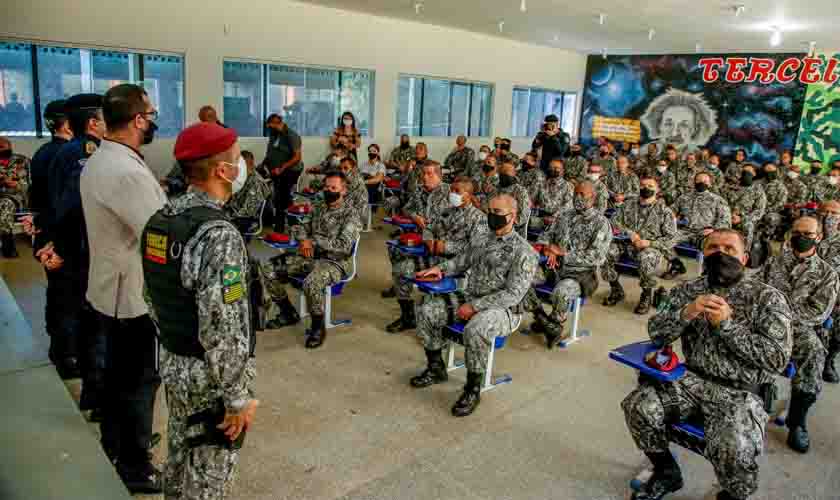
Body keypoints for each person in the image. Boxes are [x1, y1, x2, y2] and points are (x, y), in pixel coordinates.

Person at [623, 228, 792, 500]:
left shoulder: (767, 298)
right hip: (690, 381)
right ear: (703, 254)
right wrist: (685, 314)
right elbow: (656, 332)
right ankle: (666, 471)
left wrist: (727, 326)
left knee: (735, 447)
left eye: (729, 249)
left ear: (745, 258)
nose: (720, 254)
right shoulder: (688, 290)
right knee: (638, 406)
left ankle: (733, 494)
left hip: (740, 392)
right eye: (713, 248)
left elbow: (777, 359)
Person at [142, 121, 258, 499]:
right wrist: (237, 396)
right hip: (208, 377)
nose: (241, 165)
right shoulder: (217, 235)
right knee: (209, 474)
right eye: (237, 157)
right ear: (222, 171)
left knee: (179, 457)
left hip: (174, 360)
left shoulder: (163, 219)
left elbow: (151, 296)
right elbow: (222, 327)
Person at [80, 83, 168, 493]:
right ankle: (135, 464)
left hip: (107, 288)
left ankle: (115, 443)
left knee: (117, 375)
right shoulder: (127, 171)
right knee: (140, 380)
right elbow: (158, 233)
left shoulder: (102, 159)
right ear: (137, 120)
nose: (151, 122)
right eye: (149, 116)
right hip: (131, 296)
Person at [411, 194, 539, 416]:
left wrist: (475, 307)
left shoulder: (524, 251)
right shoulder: (482, 238)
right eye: (490, 211)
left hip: (503, 310)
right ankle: (436, 368)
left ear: (513, 216)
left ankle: (472, 389)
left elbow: (513, 294)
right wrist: (440, 269)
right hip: (470, 295)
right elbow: (461, 261)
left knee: (476, 328)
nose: (492, 216)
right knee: (426, 310)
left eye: (498, 213)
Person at [44, 93, 107, 420]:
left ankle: (90, 387)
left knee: (82, 318)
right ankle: (96, 396)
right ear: (92, 123)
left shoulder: (57, 151)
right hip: (84, 251)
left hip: (73, 248)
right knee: (94, 323)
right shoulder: (87, 152)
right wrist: (65, 248)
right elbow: (76, 208)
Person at [759, 216, 839, 453]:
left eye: (808, 234)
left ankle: (797, 421)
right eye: (797, 232)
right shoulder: (774, 263)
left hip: (798, 329)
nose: (802, 238)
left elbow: (818, 313)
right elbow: (755, 288)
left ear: (819, 237)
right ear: (790, 234)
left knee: (814, 353)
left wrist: (781, 315)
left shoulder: (827, 274)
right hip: (764, 321)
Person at [263, 171, 362, 348]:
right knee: (267, 268)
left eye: (334, 188)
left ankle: (318, 327)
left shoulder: (351, 215)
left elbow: (343, 246)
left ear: (344, 190)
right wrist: (303, 240)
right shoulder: (319, 206)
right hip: (310, 256)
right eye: (327, 187)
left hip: (336, 262)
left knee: (312, 282)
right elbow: (300, 227)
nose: (329, 190)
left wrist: (313, 241)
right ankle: (287, 312)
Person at [385, 177, 487, 333]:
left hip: (458, 265)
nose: (452, 194)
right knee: (400, 269)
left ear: (468, 195)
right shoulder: (447, 211)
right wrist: (429, 239)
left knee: (436, 303)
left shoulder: (479, 219)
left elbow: (474, 250)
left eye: (457, 191)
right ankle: (408, 317)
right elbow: (429, 228)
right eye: (451, 190)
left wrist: (447, 246)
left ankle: (438, 322)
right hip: (435, 258)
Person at [24, 99, 76, 378]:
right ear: (67, 123)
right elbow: (62, 204)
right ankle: (66, 355)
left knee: (57, 294)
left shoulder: (43, 152)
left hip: (47, 233)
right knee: (66, 296)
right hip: (59, 236)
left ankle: (60, 349)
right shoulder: (67, 154)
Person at [529, 181, 611, 347]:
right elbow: (546, 235)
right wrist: (548, 249)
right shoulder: (564, 215)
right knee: (523, 280)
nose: (578, 198)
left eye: (583, 195)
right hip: (552, 266)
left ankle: (555, 322)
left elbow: (597, 257)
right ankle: (543, 318)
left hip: (580, 274)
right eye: (576, 194)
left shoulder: (600, 223)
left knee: (561, 292)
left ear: (593, 198)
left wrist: (563, 254)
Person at [603, 177, 677, 314]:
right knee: (606, 252)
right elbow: (614, 221)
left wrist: (649, 242)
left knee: (646, 258)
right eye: (643, 185)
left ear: (657, 190)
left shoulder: (664, 211)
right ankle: (616, 289)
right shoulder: (628, 205)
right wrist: (630, 233)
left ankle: (646, 295)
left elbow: (671, 239)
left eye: (650, 186)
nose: (646, 188)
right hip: (626, 243)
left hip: (650, 248)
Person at [382, 162, 450, 301]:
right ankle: (400, 285)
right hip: (419, 236)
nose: (425, 177)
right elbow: (407, 208)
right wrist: (415, 216)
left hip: (438, 242)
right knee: (394, 249)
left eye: (429, 174)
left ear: (439, 175)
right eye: (423, 174)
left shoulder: (449, 192)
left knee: (404, 267)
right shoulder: (419, 190)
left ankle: (406, 280)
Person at [665, 172, 731, 279]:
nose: (701, 183)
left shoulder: (717, 200)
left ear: (709, 184)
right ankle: (677, 265)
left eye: (705, 181)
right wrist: (672, 218)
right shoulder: (684, 197)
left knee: (712, 247)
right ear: (694, 182)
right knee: (663, 241)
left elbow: (726, 220)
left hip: (705, 233)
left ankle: (707, 274)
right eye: (699, 180)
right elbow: (671, 212)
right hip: (685, 231)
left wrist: (713, 229)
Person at [263, 113, 302, 233]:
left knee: (280, 197)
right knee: (284, 198)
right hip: (276, 170)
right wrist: (263, 165)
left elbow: (297, 157)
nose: (269, 130)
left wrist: (282, 168)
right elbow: (270, 153)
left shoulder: (292, 135)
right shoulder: (274, 135)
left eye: (271, 127)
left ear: (277, 124)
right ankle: (293, 223)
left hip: (290, 170)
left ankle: (279, 228)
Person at [817, 201, 840, 384]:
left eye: (835, 213)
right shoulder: (805, 234)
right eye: (826, 212)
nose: (829, 216)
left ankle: (829, 360)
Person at [0, 136, 30, 257]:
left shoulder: (21, 161)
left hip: (15, 197)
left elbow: (25, 186)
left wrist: (9, 183)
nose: (2, 149)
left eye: (4, 147)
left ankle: (7, 244)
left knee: (4, 204)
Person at [226, 150, 272, 226]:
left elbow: (248, 211)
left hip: (245, 219)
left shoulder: (256, 183)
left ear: (248, 164)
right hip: (236, 213)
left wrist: (229, 217)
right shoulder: (244, 177)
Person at [726, 164, 766, 250]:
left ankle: (744, 252)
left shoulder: (758, 189)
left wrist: (742, 218)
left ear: (754, 174)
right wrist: (729, 215)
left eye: (749, 171)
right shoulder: (731, 187)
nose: (746, 173)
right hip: (728, 216)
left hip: (746, 218)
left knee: (747, 226)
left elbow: (759, 210)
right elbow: (723, 203)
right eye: (744, 171)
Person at [531, 158, 574, 230]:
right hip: (539, 219)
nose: (552, 170)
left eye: (556, 168)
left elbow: (568, 206)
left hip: (557, 221)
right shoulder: (541, 183)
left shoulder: (568, 186)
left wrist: (554, 216)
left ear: (563, 170)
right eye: (550, 167)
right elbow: (532, 200)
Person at [493, 161, 531, 238]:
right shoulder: (496, 188)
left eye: (506, 172)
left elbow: (522, 218)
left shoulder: (520, 191)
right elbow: (486, 207)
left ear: (514, 174)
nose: (503, 174)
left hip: (511, 232)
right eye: (501, 172)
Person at [757, 162, 788, 241]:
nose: (769, 172)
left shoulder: (780, 186)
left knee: (771, 218)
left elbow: (781, 203)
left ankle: (766, 239)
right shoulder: (758, 184)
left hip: (772, 212)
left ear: (776, 170)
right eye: (767, 170)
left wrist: (766, 211)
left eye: (771, 169)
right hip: (757, 210)